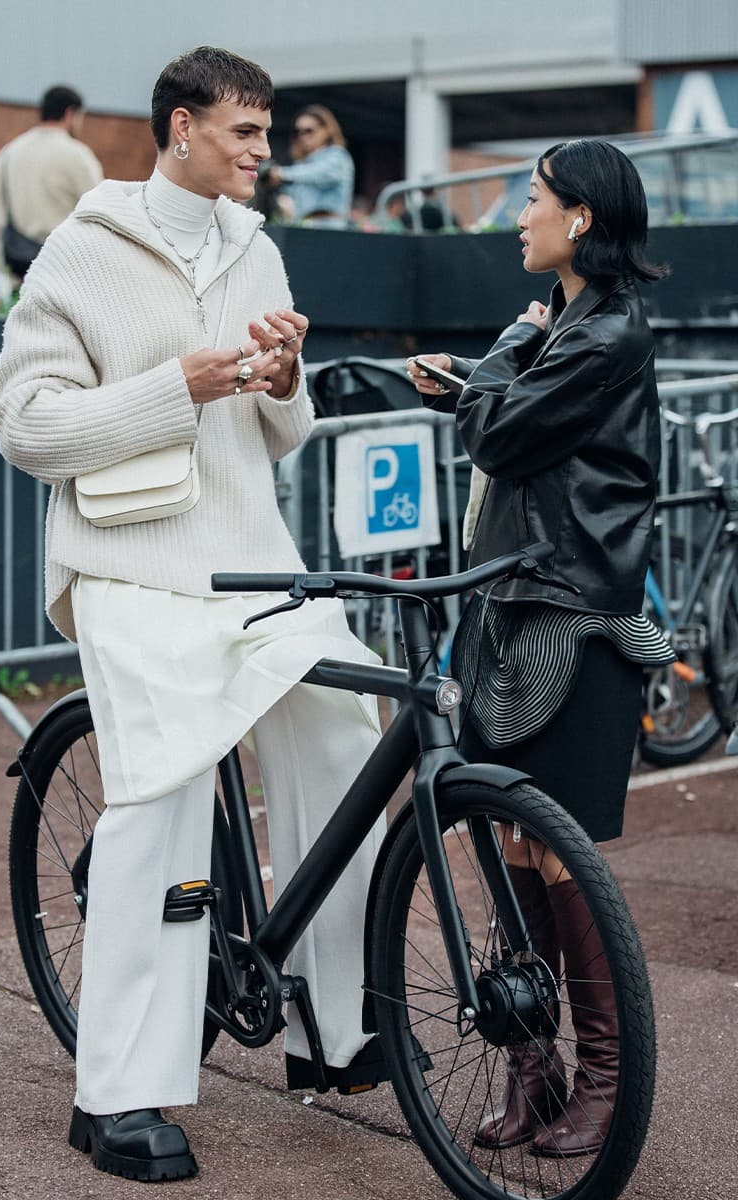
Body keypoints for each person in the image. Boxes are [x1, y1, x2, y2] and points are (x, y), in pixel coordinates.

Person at [0, 46, 387, 1183]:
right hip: (128, 566)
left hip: (254, 565)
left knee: (345, 736)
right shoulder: (85, 249)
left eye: (265, 134)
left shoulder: (255, 246)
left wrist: (279, 379)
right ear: (178, 130)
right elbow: (22, 423)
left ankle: (337, 1025)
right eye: (245, 134)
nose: (265, 152)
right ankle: (114, 1094)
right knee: (158, 805)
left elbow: (279, 435)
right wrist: (178, 389)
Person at [408, 139, 675, 1157]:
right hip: (516, 608)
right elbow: (506, 419)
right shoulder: (565, 322)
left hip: (568, 615)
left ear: (581, 219)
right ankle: (536, 1075)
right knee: (509, 841)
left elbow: (500, 437)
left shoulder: (605, 331)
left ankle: (603, 1081)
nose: (516, 218)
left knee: (552, 845)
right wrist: (495, 368)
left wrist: (486, 368)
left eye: (529, 200)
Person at [0, 85, 103, 278]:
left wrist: (1, 267)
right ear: (70, 114)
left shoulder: (8, 153)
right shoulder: (77, 155)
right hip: (63, 267)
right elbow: (100, 211)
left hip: (18, 266)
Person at [266, 105, 354, 226]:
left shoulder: (337, 155)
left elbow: (317, 173)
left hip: (330, 228)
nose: (302, 136)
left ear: (326, 130)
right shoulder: (302, 163)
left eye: (309, 130)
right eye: (298, 132)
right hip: (304, 227)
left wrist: (280, 173)